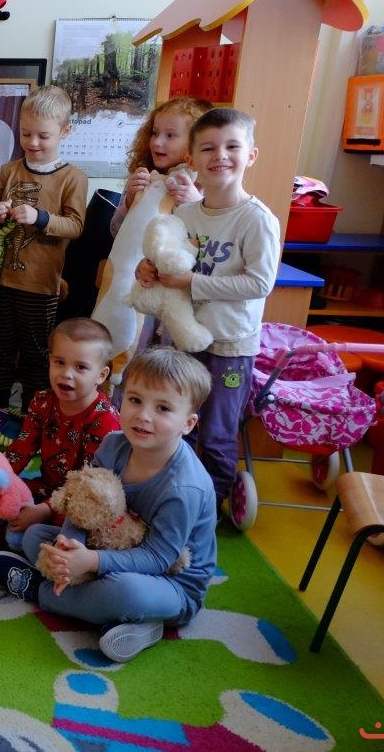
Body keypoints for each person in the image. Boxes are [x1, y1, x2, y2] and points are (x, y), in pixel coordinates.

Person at [0, 348, 218, 664]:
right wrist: (69, 549)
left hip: (170, 582)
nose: (144, 415)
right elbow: (83, 504)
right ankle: (125, 620)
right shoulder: (114, 444)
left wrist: (91, 561)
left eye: (163, 408)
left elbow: (158, 557)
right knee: (33, 535)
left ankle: (38, 590)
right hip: (109, 546)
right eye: (135, 400)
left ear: (187, 423)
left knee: (126, 592)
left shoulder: (184, 487)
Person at [135, 107, 279, 509]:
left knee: (215, 433)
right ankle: (173, 497)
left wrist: (192, 282)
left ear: (251, 155)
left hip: (229, 345)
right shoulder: (184, 214)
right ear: (192, 159)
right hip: (184, 340)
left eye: (232, 146)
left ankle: (207, 508)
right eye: (209, 148)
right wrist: (147, 267)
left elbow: (259, 283)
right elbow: (165, 257)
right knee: (177, 425)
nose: (220, 156)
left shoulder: (256, 220)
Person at [0, 317, 119, 546]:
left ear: (101, 375)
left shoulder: (105, 420)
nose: (66, 374)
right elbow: (19, 451)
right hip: (46, 487)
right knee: (9, 495)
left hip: (83, 498)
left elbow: (90, 483)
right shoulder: (43, 401)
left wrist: (45, 510)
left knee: (77, 524)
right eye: (59, 362)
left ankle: (28, 543)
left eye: (80, 367)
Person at [0, 85, 87, 411]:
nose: (32, 142)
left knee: (35, 353)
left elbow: (75, 226)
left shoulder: (73, 178)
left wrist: (40, 217)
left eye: (43, 136)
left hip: (41, 286)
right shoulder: (9, 171)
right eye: (26, 133)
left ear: (65, 131)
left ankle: (34, 412)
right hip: (3, 282)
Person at [110, 96, 214, 237]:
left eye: (170, 135)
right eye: (154, 133)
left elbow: (212, 238)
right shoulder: (144, 178)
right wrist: (130, 200)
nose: (156, 142)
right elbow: (115, 231)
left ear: (196, 142)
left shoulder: (207, 186)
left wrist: (196, 204)